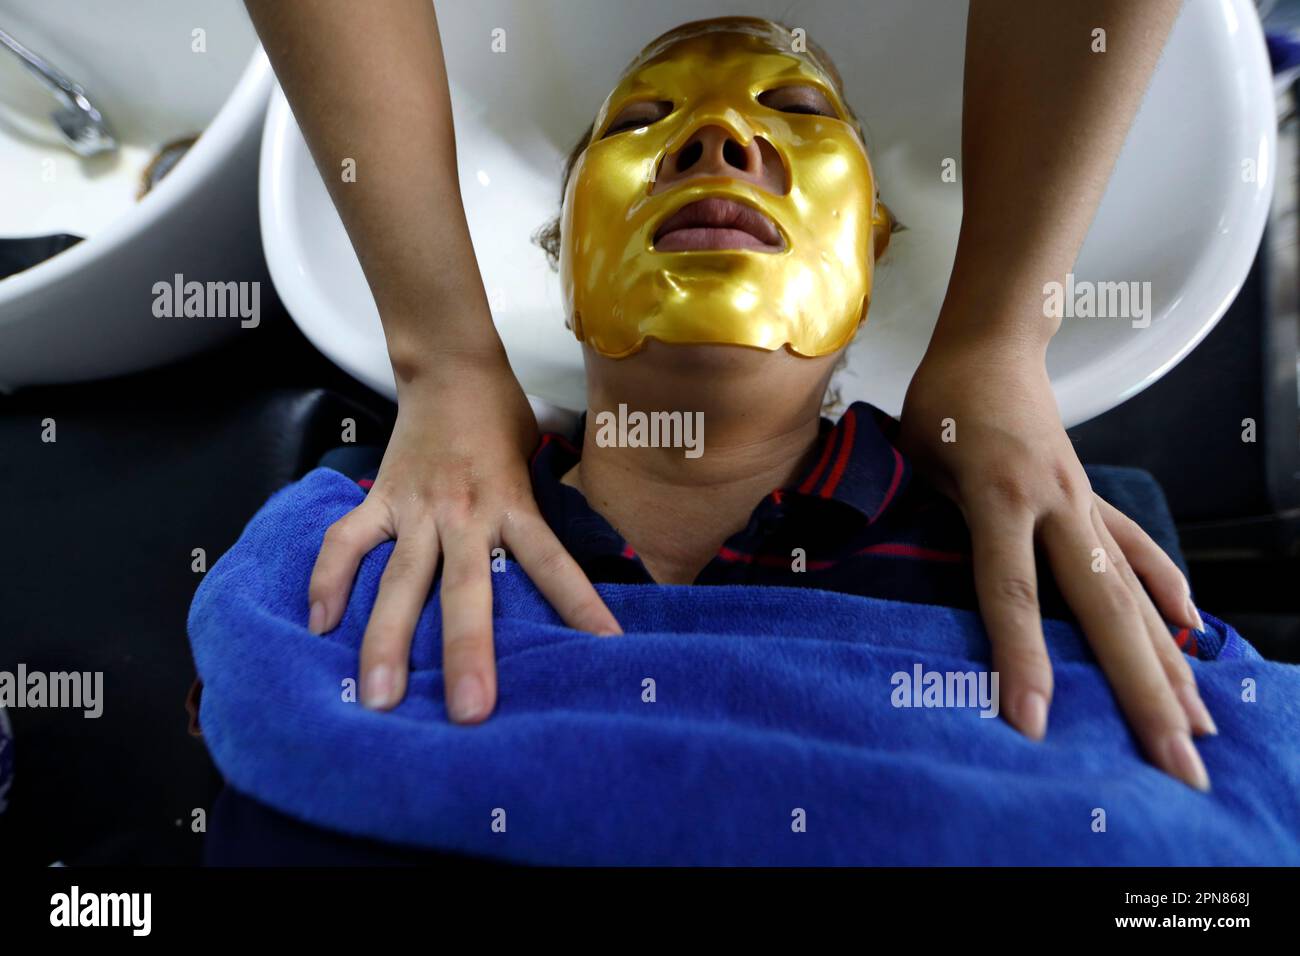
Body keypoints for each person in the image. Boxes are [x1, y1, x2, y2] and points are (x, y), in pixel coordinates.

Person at [242, 1, 1196, 763]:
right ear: (564, 259)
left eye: (800, 113)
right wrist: (440, 360)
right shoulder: (363, 548)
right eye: (644, 122)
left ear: (870, 257)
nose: (717, 142)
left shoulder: (1046, 553)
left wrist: (1000, 343)